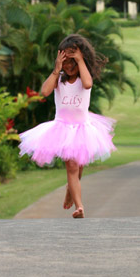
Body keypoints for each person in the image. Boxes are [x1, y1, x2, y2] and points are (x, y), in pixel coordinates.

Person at [19, 34, 116, 218]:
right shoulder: (59, 77)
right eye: (66, 62)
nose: (69, 66)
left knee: (77, 169)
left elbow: (87, 84)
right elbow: (45, 91)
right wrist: (56, 69)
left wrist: (79, 60)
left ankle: (70, 189)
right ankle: (80, 207)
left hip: (83, 129)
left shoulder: (83, 76)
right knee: (72, 167)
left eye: (73, 62)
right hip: (62, 129)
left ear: (80, 59)